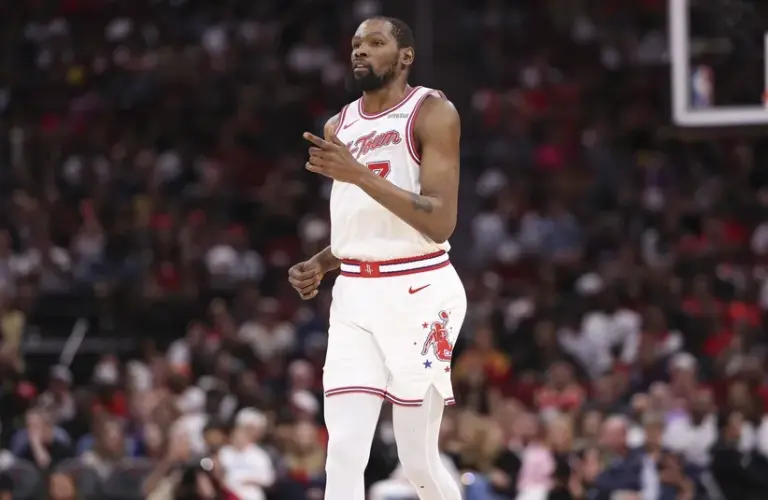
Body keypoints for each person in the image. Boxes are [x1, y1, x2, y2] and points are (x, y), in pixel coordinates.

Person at [288, 16, 464, 500]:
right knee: (342, 450)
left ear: (405, 55)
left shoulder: (432, 112)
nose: (360, 51)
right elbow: (364, 225)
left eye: (375, 42)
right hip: (355, 295)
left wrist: (357, 172)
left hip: (422, 292)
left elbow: (439, 221)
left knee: (417, 458)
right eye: (355, 44)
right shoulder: (338, 125)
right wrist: (323, 263)